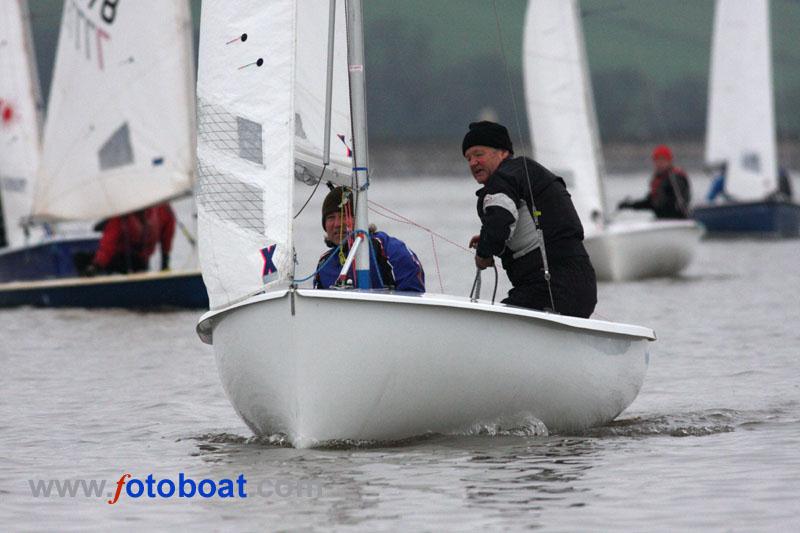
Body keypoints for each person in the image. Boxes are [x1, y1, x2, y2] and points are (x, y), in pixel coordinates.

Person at [463, 121, 596, 319]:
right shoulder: (524, 173)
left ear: (502, 152)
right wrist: (486, 239)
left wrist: (484, 252)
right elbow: (521, 226)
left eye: (479, 154)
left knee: (493, 328)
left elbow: (500, 223)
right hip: (578, 284)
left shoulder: (504, 179)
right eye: (468, 158)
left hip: (550, 287)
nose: (473, 162)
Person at [314, 186, 425, 292]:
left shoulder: (389, 249)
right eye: (331, 218)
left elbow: (414, 297)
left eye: (344, 215)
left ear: (359, 219)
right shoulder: (324, 264)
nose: (337, 224)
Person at [80, 203, 176, 275]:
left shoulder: (163, 209)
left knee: (80, 258)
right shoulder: (164, 209)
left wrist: (96, 266)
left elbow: (108, 245)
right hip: (138, 261)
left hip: (128, 261)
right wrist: (165, 263)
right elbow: (108, 245)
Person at [618, 144, 691, 218]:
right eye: (657, 160)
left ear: (669, 161)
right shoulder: (659, 179)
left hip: (676, 220)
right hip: (662, 220)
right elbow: (650, 203)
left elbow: (681, 202)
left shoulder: (675, 178)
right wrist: (630, 205)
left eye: (663, 160)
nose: (659, 163)